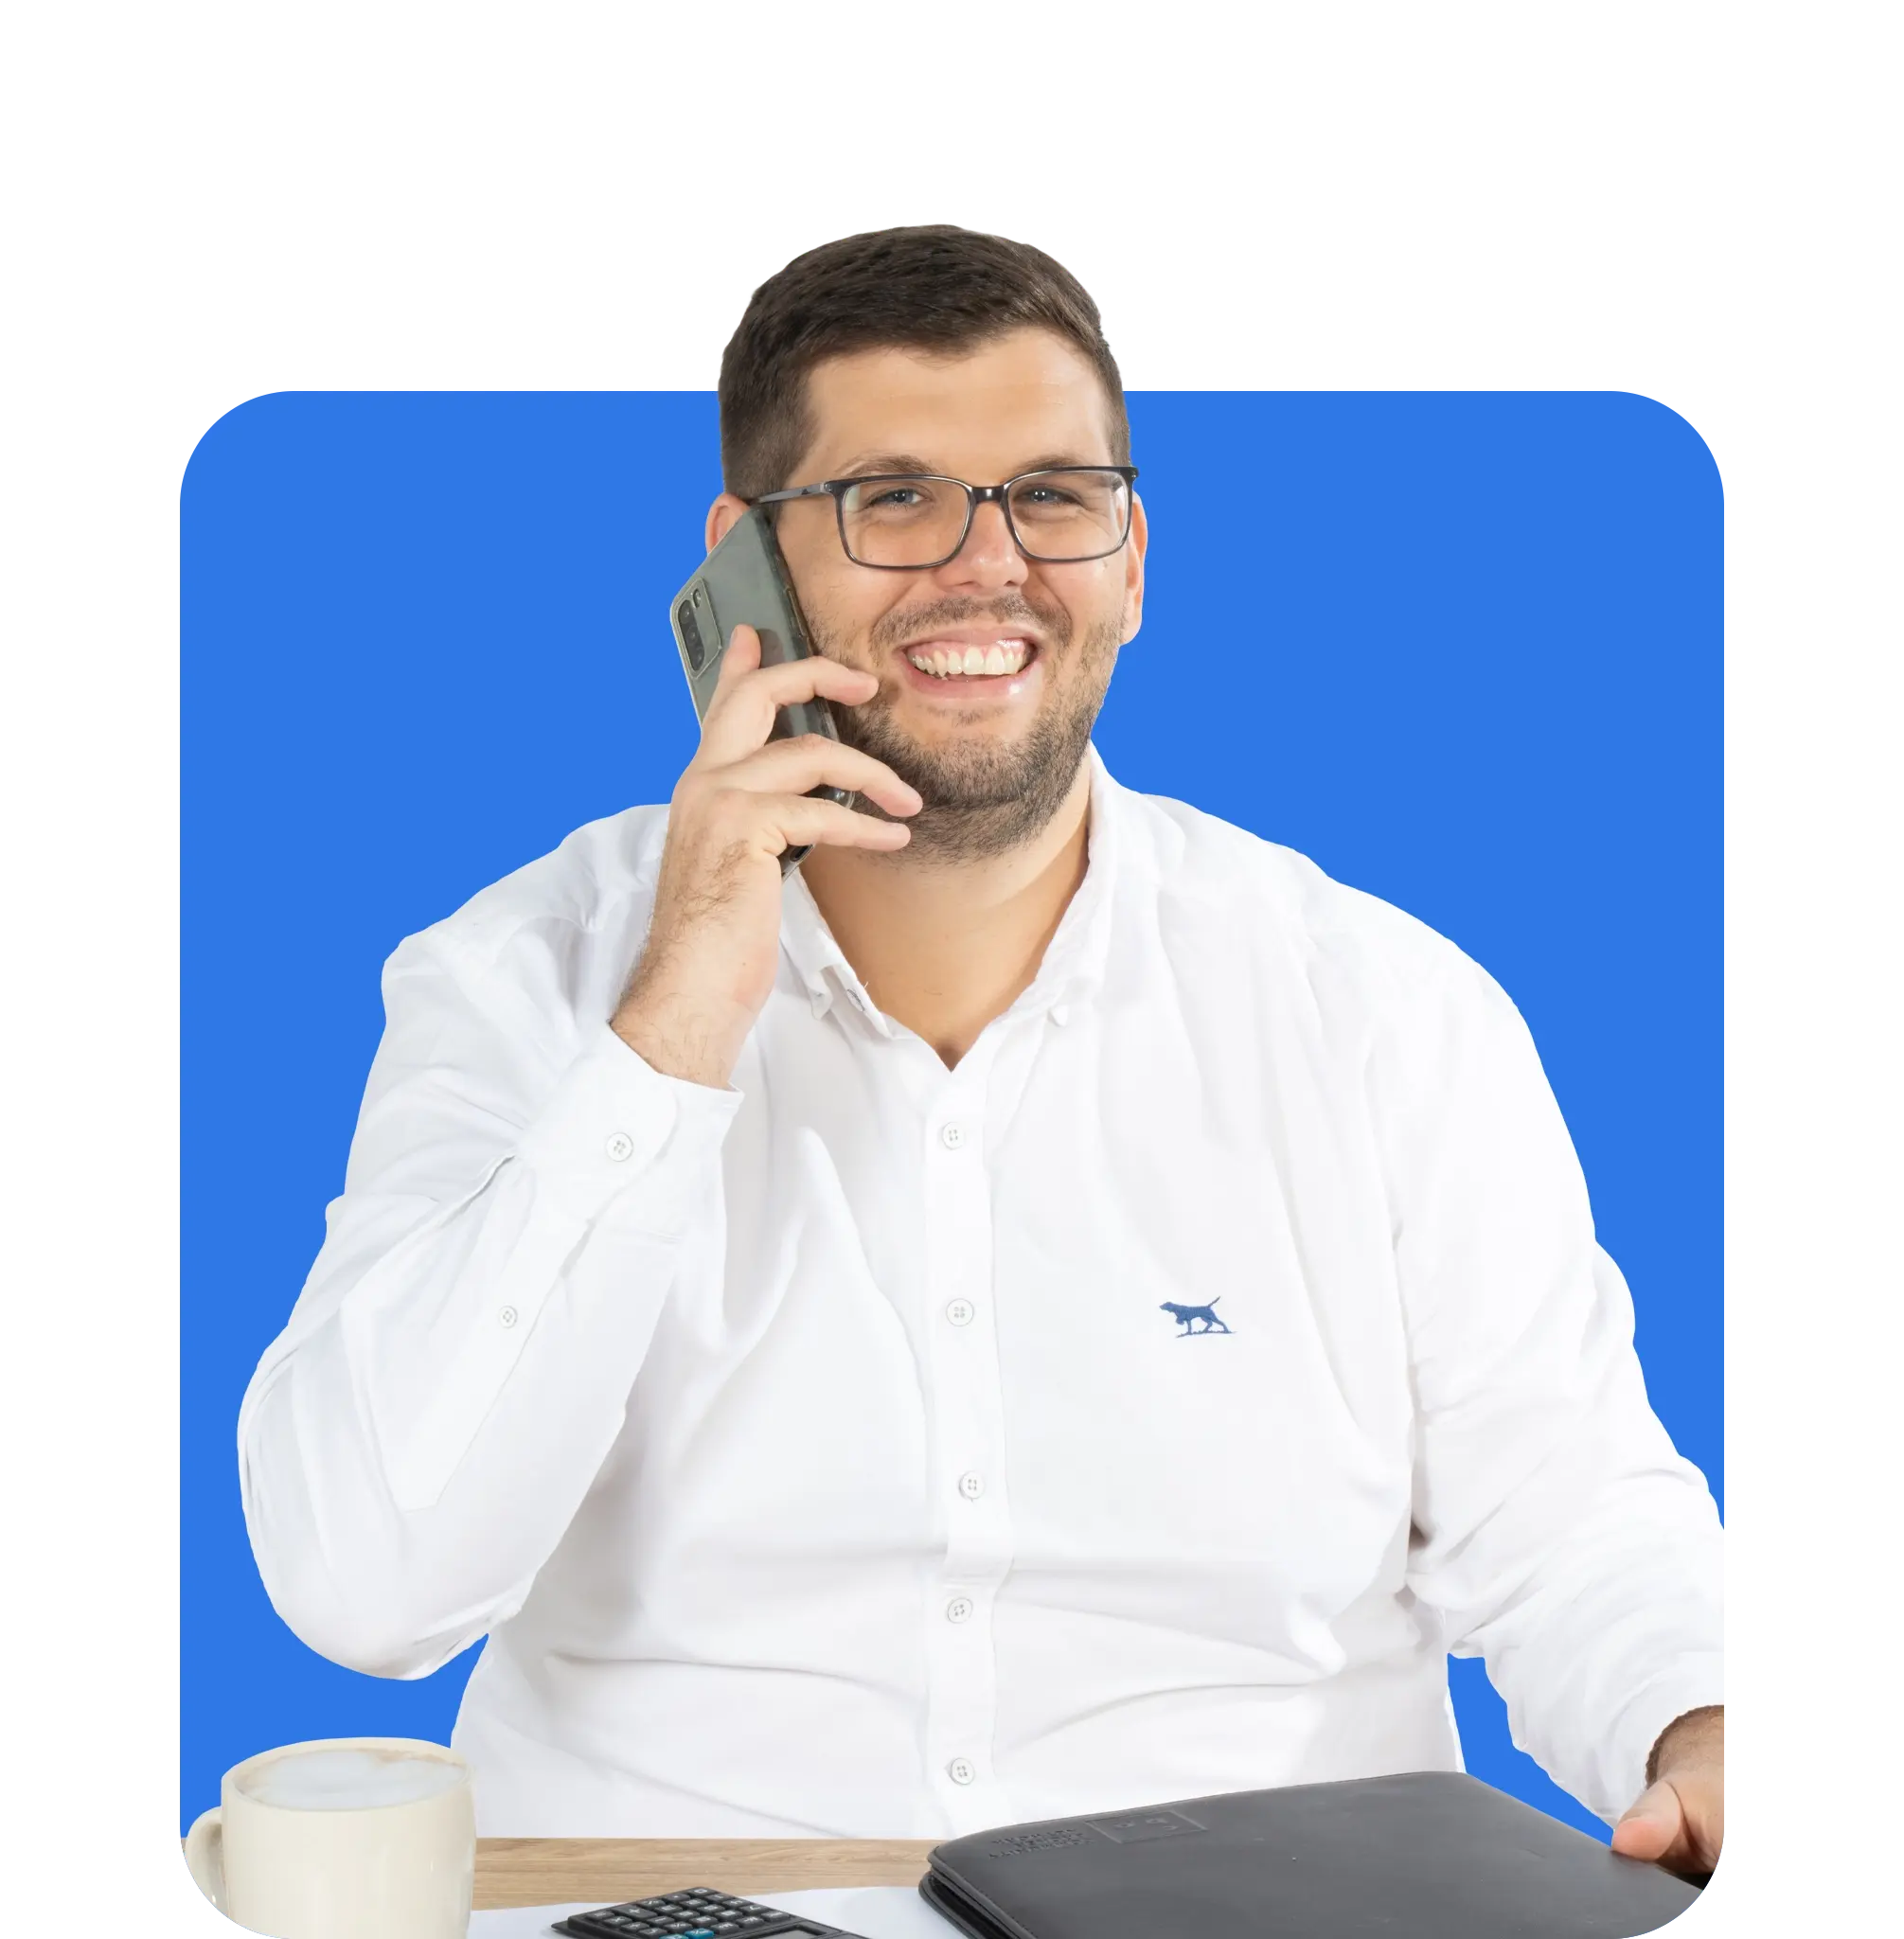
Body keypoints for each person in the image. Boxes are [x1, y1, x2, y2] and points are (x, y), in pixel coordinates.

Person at [238, 224, 1725, 1870]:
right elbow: (366, 1587)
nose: (987, 564)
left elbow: (1573, 1513)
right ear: (745, 561)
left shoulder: (1381, 1010)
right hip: (670, 1908)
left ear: (1133, 552)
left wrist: (1699, 1726)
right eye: (893, 498)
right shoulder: (522, 981)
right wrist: (670, 1030)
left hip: (1264, 1913)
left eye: (1053, 495)